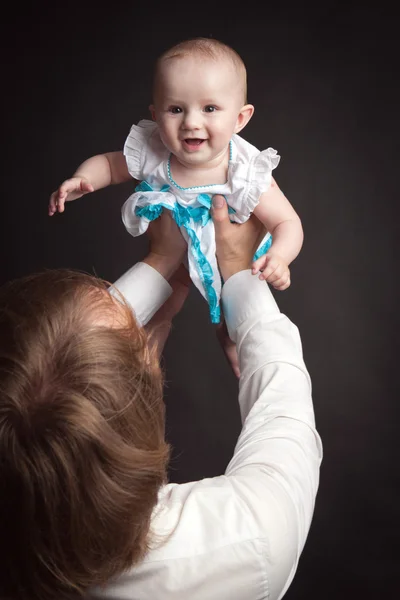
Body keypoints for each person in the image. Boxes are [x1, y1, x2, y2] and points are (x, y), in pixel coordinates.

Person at [0, 195, 322, 600]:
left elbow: (43, 365)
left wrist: (160, 263)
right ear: (153, 380)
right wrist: (240, 276)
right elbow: (284, 419)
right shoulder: (246, 543)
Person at [48, 37, 304, 323]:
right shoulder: (154, 150)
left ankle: (232, 338)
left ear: (240, 119)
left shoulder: (245, 169)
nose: (191, 123)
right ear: (156, 116)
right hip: (175, 254)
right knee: (155, 310)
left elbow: (286, 222)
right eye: (176, 109)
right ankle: (156, 325)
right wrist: (83, 179)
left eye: (209, 109)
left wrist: (280, 257)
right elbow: (109, 164)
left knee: (238, 318)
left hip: (234, 261)